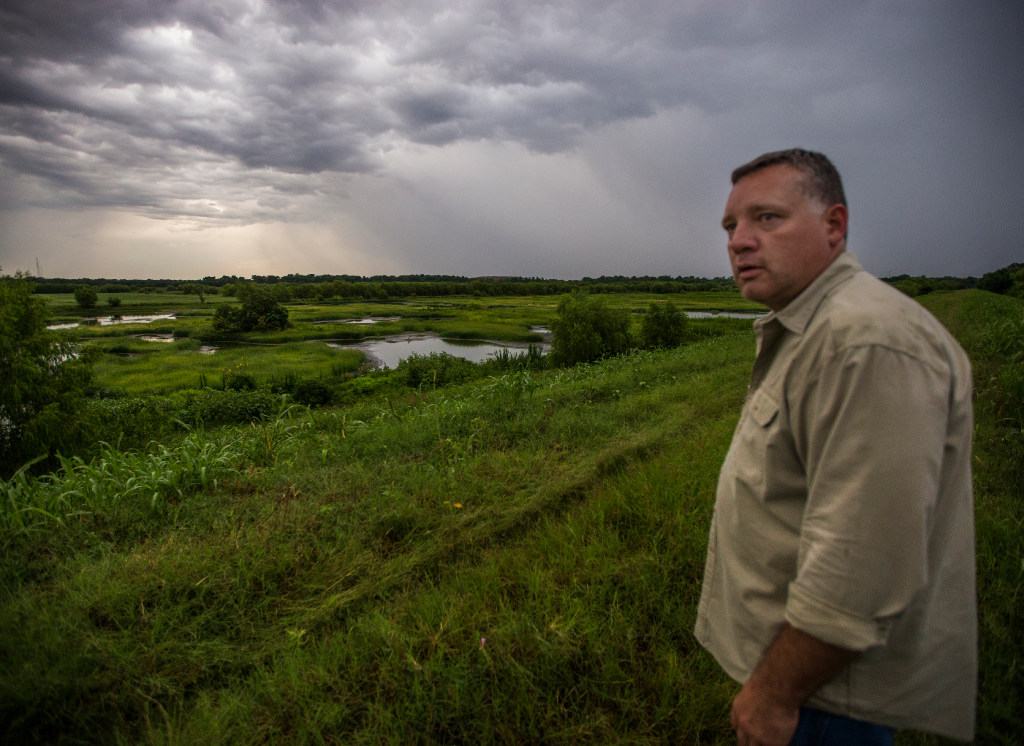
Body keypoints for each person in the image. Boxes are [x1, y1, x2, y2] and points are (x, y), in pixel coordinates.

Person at [694, 149, 976, 745]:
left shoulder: (864, 343)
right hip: (813, 686)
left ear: (834, 225)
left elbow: (863, 562)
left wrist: (773, 696)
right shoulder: (816, 329)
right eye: (730, 226)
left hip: (822, 699)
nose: (739, 241)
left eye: (766, 218)